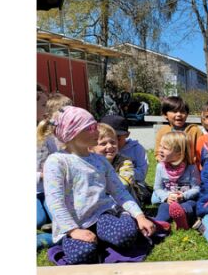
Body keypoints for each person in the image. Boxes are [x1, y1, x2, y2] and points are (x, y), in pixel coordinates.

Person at [43, 106, 158, 265]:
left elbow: (120, 192)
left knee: (126, 235)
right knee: (81, 255)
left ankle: (121, 216)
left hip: (102, 215)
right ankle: (97, 242)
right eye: (90, 128)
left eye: (95, 126)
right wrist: (73, 231)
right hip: (74, 223)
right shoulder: (57, 161)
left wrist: (139, 216)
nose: (96, 131)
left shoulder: (100, 161)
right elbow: (55, 202)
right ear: (73, 132)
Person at [36, 92, 72, 231]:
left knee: (58, 215)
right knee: (39, 219)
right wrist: (42, 175)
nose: (46, 110)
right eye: (44, 105)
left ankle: (50, 234)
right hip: (36, 187)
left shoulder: (49, 134)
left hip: (50, 188)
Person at [152, 131, 200, 230]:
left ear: (179, 153)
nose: (160, 150)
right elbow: (157, 188)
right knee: (163, 208)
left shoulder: (191, 167)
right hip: (169, 200)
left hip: (186, 199)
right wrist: (166, 197)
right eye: (160, 146)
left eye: (165, 148)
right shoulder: (160, 167)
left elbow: (197, 188)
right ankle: (159, 223)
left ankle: (183, 219)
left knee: (189, 206)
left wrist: (183, 196)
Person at [93, 123, 141, 204]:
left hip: (125, 200)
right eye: (103, 144)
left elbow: (124, 183)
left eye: (113, 142)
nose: (110, 146)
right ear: (91, 146)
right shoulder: (89, 162)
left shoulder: (125, 162)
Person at [100, 115, 148, 186]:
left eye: (118, 139)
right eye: (104, 143)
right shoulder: (93, 155)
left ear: (127, 134)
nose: (110, 146)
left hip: (131, 186)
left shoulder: (137, 149)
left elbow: (142, 173)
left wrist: (123, 172)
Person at [155, 96, 203, 165]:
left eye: (182, 111)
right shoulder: (162, 132)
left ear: (187, 114)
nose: (179, 114)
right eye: (174, 111)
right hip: (168, 169)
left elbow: (201, 153)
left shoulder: (194, 131)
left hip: (190, 168)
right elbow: (158, 153)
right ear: (165, 115)